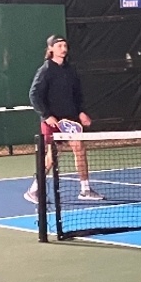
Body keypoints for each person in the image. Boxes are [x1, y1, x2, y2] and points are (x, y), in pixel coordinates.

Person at [24, 35, 103, 203]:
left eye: (65, 45)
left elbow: (77, 94)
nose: (63, 48)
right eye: (59, 45)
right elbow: (34, 95)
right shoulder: (45, 70)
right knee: (52, 155)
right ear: (51, 49)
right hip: (53, 120)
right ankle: (34, 190)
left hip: (71, 120)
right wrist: (46, 115)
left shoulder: (70, 70)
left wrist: (81, 112)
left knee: (80, 149)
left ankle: (85, 190)